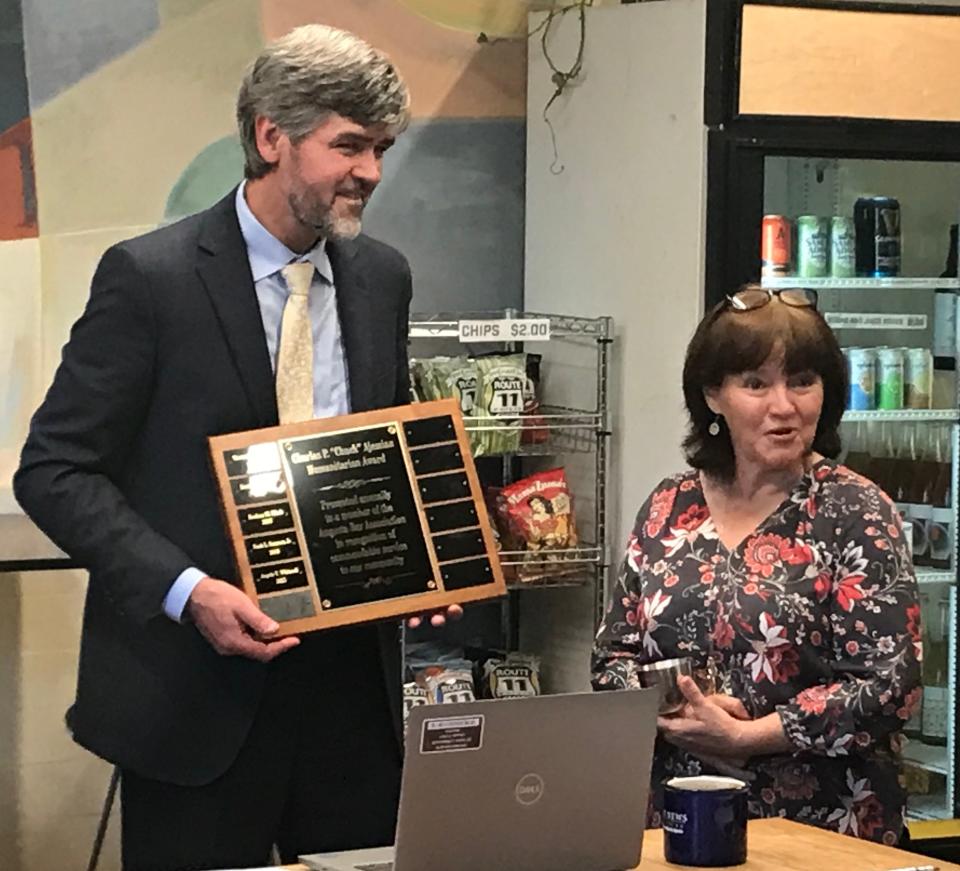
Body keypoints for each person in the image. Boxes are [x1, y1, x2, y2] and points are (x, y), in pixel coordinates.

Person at [14, 24, 457, 870]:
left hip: (348, 708)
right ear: (269, 137)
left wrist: (421, 562)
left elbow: (374, 452)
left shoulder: (380, 278)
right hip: (192, 702)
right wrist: (189, 592)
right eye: (349, 145)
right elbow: (54, 470)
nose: (370, 171)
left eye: (382, 148)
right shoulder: (151, 280)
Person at [593, 285, 921, 845]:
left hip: (824, 832)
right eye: (755, 384)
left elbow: (890, 687)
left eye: (802, 381)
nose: (784, 406)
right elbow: (611, 661)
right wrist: (676, 712)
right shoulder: (669, 507)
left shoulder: (855, 511)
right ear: (713, 395)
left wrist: (751, 736)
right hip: (678, 825)